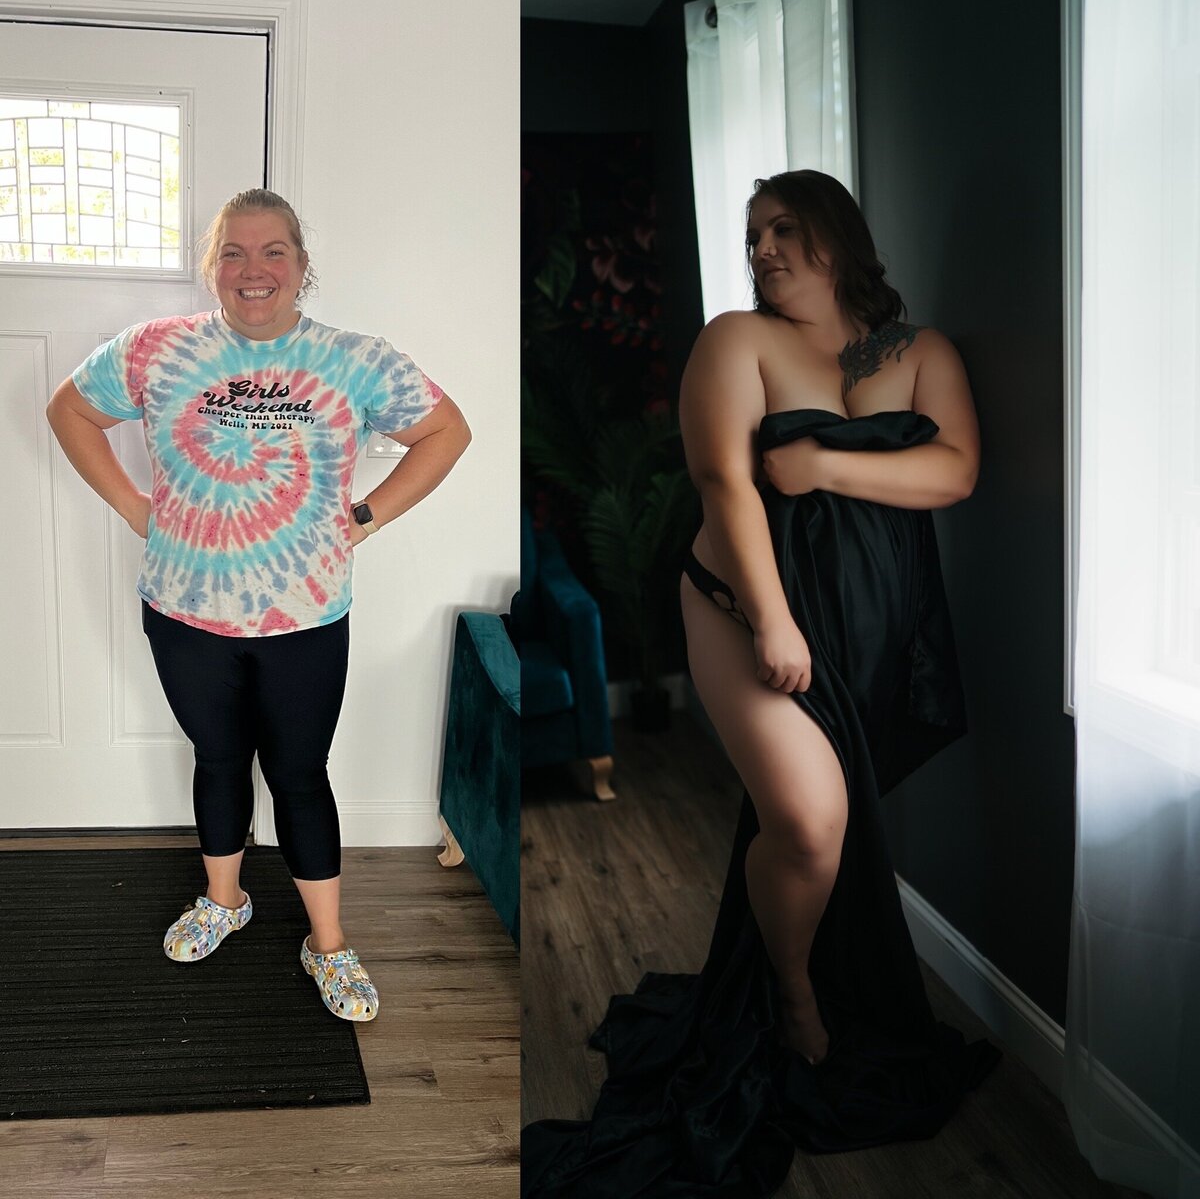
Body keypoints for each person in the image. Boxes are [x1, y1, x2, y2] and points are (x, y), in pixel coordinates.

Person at [522, 170, 1000, 1196]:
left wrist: (825, 466)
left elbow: (954, 471)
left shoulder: (907, 352)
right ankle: (790, 995)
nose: (764, 249)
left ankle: (799, 963)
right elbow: (725, 481)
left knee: (810, 833)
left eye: (786, 229)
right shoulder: (738, 340)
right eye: (753, 236)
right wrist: (774, 617)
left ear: (840, 234)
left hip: (869, 635)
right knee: (811, 822)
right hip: (743, 613)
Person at [46, 188, 471, 1023]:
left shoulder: (353, 359)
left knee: (300, 776)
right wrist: (138, 507)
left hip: (305, 616)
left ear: (302, 268)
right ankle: (224, 901)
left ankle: (330, 943)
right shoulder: (156, 350)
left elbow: (446, 430)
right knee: (216, 758)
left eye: (273, 252)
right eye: (233, 254)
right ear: (211, 268)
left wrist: (364, 518)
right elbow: (68, 410)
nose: (252, 270)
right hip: (183, 607)